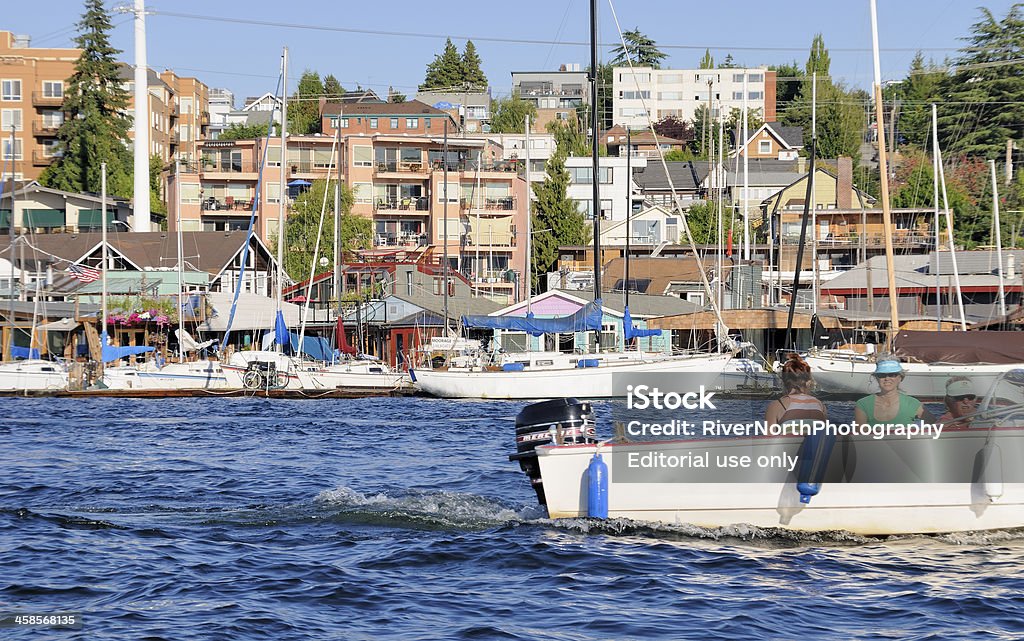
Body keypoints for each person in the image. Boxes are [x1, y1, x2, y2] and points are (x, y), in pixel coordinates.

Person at [854, 360, 935, 426]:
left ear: (900, 378)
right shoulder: (863, 404)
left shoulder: (912, 404)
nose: (887, 378)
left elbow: (936, 426)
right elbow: (859, 436)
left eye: (892, 375)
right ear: (876, 378)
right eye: (882, 375)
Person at [765, 353, 828, 427]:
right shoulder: (820, 406)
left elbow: (770, 437)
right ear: (809, 382)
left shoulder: (776, 407)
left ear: (783, 381)